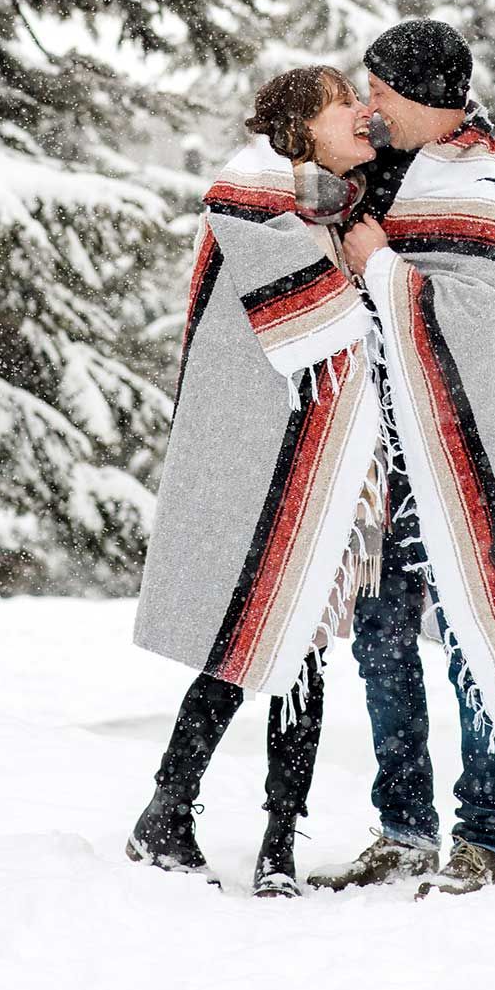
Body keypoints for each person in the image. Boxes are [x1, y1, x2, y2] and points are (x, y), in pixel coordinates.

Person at [129, 65, 383, 898]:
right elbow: (319, 324)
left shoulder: (328, 208)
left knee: (296, 648)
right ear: (302, 126)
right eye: (345, 103)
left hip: (307, 462)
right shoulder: (253, 196)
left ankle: (276, 840)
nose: (362, 114)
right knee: (248, 639)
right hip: (263, 458)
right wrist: (370, 280)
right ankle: (168, 811)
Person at [308, 18, 495, 899]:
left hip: (460, 454)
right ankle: (405, 830)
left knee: (470, 632)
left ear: (429, 99)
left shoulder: (485, 190)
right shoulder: (374, 172)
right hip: (382, 451)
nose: (369, 110)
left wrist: (380, 266)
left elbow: (480, 330)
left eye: (381, 95)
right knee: (377, 638)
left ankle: (486, 838)